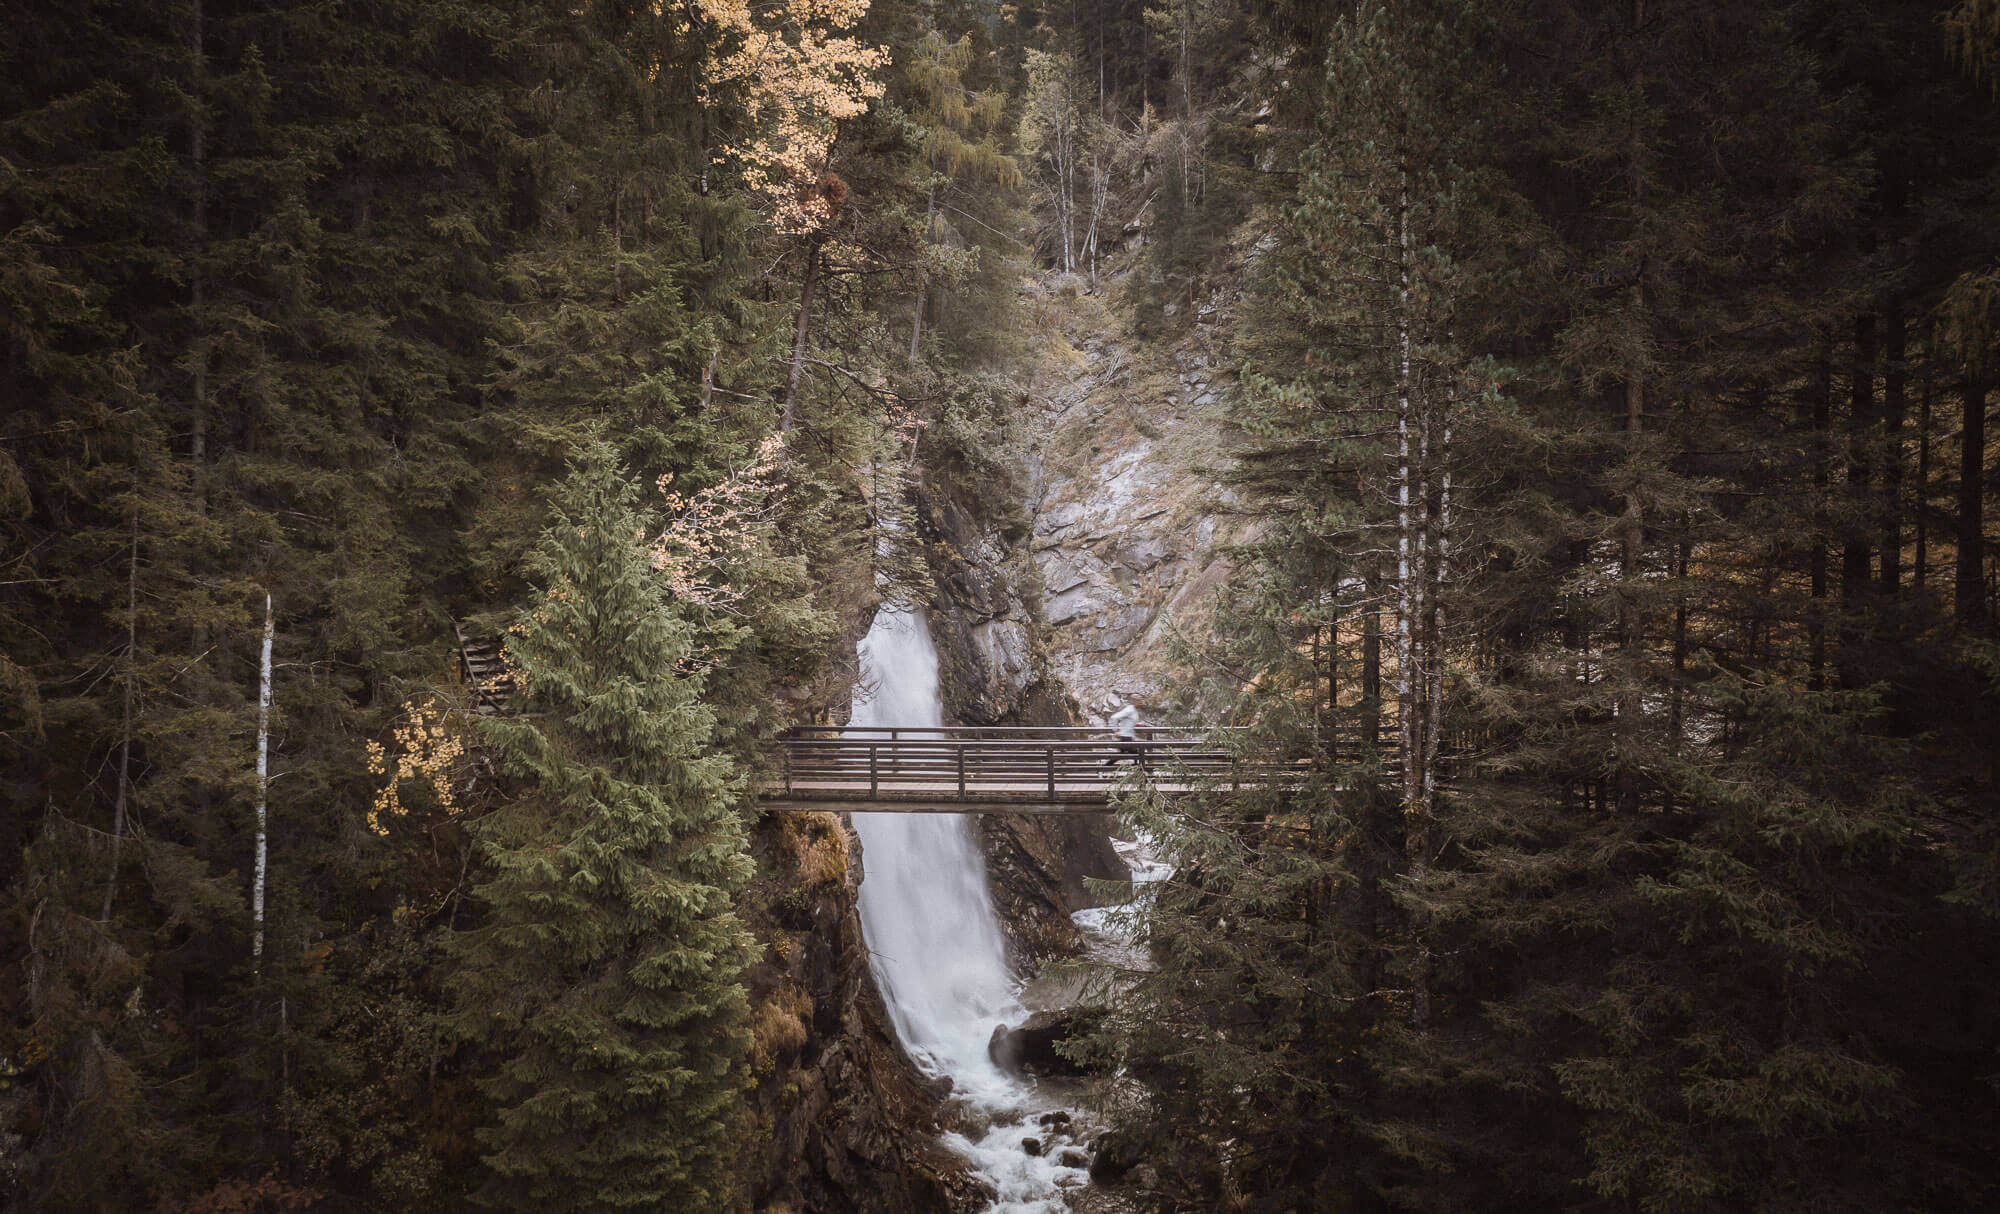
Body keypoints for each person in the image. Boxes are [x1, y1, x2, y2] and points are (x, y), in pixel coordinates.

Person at [1102, 700, 1145, 769]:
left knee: (1125, 754)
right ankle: (1139, 769)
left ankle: (1104, 767)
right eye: (1139, 701)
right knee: (1136, 754)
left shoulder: (1133, 710)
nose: (1141, 703)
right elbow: (1114, 717)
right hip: (1125, 737)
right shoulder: (1129, 710)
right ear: (1134, 702)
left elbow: (1128, 720)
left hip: (1128, 736)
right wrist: (1115, 730)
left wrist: (1136, 724)